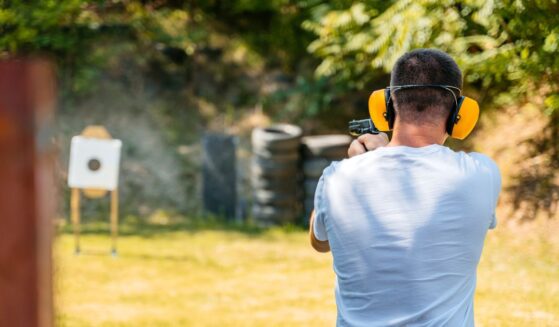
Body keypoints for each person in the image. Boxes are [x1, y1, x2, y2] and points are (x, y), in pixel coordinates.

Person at [309, 49, 501, 327]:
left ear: (386, 105)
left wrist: (360, 164)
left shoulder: (338, 178)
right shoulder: (483, 174)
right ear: (460, 113)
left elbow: (319, 241)